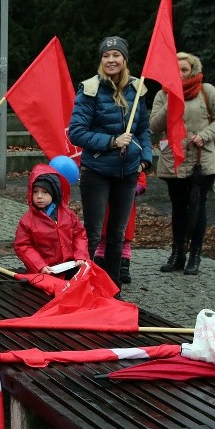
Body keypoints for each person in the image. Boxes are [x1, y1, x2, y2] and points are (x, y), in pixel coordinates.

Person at [68, 35, 152, 289]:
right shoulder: (90, 89)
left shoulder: (137, 90)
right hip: (97, 171)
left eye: (116, 55)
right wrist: (112, 141)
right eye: (106, 55)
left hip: (127, 173)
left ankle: (112, 288)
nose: (111, 60)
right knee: (93, 233)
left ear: (124, 60)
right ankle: (83, 285)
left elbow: (144, 131)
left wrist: (145, 160)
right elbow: (76, 132)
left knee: (117, 234)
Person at [150, 51, 215, 275]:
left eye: (184, 69)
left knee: (197, 207)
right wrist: (172, 100)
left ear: (192, 70)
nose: (180, 74)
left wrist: (205, 134)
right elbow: (154, 126)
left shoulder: (207, 90)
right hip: (172, 161)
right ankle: (177, 254)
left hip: (200, 160)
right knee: (178, 208)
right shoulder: (162, 95)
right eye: (175, 70)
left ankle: (195, 255)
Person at [14, 164, 88, 275]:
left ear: (54, 193)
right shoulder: (27, 220)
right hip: (46, 271)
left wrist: (81, 256)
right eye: (35, 192)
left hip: (72, 266)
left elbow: (80, 235)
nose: (39, 196)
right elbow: (23, 246)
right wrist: (40, 265)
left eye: (45, 192)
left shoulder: (68, 215)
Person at [94, 171, 148, 283]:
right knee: (103, 237)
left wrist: (131, 190)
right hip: (105, 203)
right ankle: (100, 263)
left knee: (124, 238)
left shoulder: (132, 162)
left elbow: (141, 181)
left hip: (124, 203)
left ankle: (123, 266)